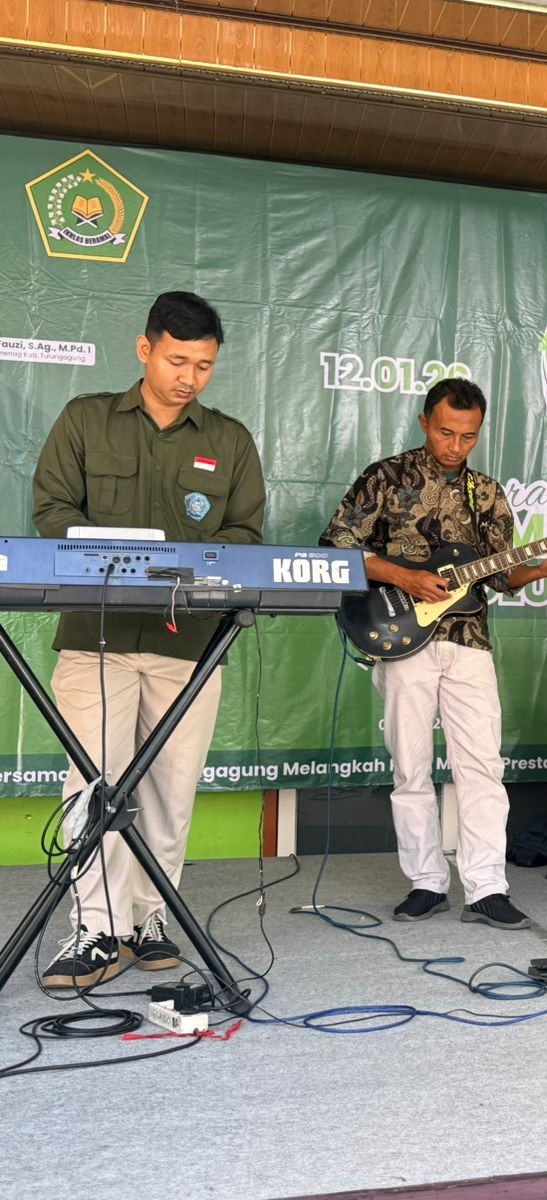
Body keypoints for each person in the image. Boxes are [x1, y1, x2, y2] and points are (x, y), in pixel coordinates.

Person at [32, 291, 267, 988]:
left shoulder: (229, 440)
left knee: (170, 790)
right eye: (176, 361)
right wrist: (119, 555)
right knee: (95, 786)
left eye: (204, 365)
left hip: (188, 645)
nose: (189, 377)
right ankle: (96, 931)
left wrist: (189, 563)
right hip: (97, 638)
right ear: (145, 349)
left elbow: (245, 533)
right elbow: (51, 510)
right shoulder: (86, 419)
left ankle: (148, 919)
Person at [321, 378, 547, 930]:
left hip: (469, 642)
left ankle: (487, 888)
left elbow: (503, 576)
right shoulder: (385, 477)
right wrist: (404, 577)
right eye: (445, 432)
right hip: (400, 637)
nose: (456, 445)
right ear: (424, 423)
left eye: (468, 436)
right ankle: (426, 882)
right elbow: (336, 545)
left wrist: (543, 569)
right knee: (410, 767)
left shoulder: (488, 493)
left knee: (482, 767)